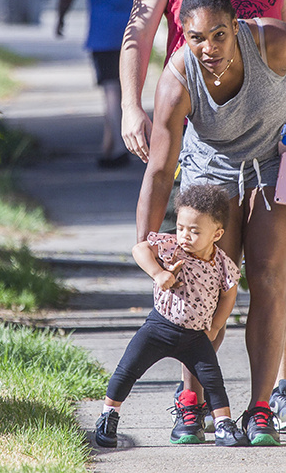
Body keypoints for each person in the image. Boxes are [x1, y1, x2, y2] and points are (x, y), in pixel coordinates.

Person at [120, 0, 286, 435]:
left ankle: (277, 391)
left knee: (271, 266)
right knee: (203, 266)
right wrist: (132, 107)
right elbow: (139, 29)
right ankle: (195, 395)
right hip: (200, 131)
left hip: (272, 133)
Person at [134, 0, 286, 446]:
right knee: (204, 287)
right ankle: (190, 402)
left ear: (234, 25)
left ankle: (260, 409)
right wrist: (145, 242)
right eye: (197, 39)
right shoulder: (177, 81)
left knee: (267, 274)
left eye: (219, 35)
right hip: (209, 179)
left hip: (270, 166)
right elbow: (160, 170)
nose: (210, 48)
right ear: (183, 37)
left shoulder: (270, 41)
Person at [95, 183, 248, 448]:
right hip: (159, 328)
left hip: (195, 336)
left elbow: (229, 295)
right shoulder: (170, 247)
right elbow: (139, 249)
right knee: (127, 370)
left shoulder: (223, 263)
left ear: (217, 233)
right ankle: (109, 416)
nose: (184, 235)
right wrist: (159, 273)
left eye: (195, 231)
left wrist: (215, 326)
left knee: (213, 381)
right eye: (180, 227)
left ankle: (223, 425)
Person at [56, 0, 151, 168]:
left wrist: (61, 17)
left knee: (111, 88)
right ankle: (108, 147)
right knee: (125, 88)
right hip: (137, 29)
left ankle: (121, 148)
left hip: (104, 30)